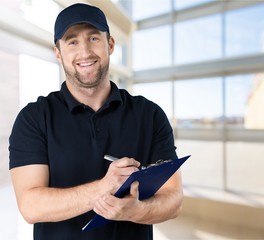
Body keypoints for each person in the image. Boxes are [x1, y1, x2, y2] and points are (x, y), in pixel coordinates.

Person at [8, 3, 182, 240]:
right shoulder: (34, 118)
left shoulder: (150, 115)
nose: (85, 52)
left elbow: (173, 199)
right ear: (58, 53)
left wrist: (139, 211)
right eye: (72, 41)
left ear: (110, 44)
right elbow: (30, 205)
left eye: (93, 38)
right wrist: (104, 187)